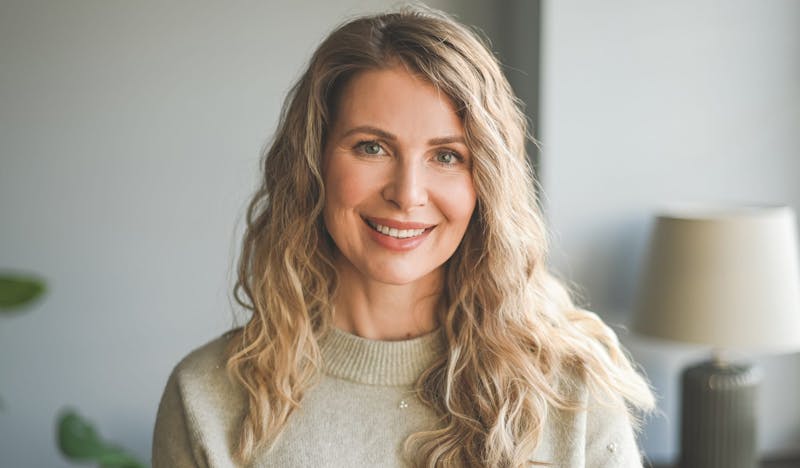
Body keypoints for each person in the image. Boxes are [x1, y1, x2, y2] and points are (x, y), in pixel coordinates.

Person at [152, 5, 655, 467]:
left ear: (487, 184)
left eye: (446, 156)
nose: (408, 193)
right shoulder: (207, 398)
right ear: (313, 163)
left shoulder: (573, 392)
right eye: (372, 147)